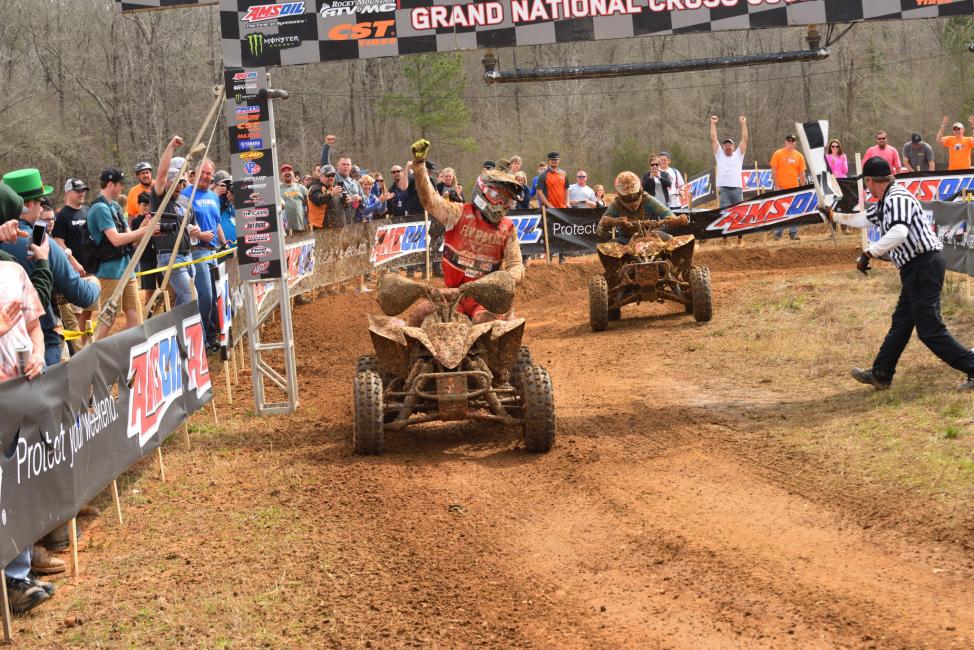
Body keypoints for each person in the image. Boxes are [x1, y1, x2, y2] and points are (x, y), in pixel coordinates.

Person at [822, 156, 974, 391]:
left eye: (867, 182)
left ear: (871, 180)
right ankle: (882, 373)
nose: (867, 187)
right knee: (902, 323)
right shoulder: (885, 202)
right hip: (916, 268)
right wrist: (834, 216)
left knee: (930, 331)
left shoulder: (897, 198)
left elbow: (900, 232)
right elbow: (864, 219)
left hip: (924, 266)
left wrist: (868, 252)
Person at [406, 139, 524, 326]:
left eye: (507, 201)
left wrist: (509, 277)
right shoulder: (458, 212)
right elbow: (430, 200)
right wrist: (419, 166)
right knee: (418, 316)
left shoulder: (507, 228)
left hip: (487, 297)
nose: (501, 204)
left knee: (486, 325)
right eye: (496, 196)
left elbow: (517, 264)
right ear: (482, 191)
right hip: (454, 294)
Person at [88, 167, 153, 330]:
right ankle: (95, 352)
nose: (122, 188)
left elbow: (130, 239)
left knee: (133, 313)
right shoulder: (99, 208)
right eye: (119, 184)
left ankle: (131, 350)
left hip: (127, 268)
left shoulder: (115, 206)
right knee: (108, 317)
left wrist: (146, 228)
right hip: (109, 271)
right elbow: (116, 240)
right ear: (111, 184)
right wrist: (143, 231)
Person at [181, 159, 225, 352]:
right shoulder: (185, 195)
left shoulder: (214, 197)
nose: (206, 176)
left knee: (216, 296)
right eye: (203, 172)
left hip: (213, 251)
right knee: (205, 296)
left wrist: (224, 243)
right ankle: (201, 339)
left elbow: (216, 223)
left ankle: (211, 337)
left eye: (209, 174)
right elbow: (182, 224)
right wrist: (199, 235)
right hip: (196, 251)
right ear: (196, 172)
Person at [152, 136, 200, 308]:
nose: (179, 186)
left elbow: (194, 225)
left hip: (188, 255)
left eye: (181, 183)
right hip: (170, 257)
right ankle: (196, 335)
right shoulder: (161, 199)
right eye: (175, 183)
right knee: (191, 299)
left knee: (182, 303)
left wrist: (196, 231)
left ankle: (177, 334)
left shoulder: (185, 201)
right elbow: (161, 174)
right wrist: (171, 147)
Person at [52, 178, 97, 347]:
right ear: (67, 193)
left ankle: (85, 347)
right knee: (75, 315)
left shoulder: (87, 211)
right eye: (78, 190)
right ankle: (78, 352)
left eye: (83, 190)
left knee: (88, 312)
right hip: (73, 272)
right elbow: (58, 242)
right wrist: (73, 263)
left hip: (90, 269)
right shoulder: (61, 215)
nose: (82, 193)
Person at [596, 171, 685, 242]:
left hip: (649, 235)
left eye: (634, 195)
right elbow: (600, 231)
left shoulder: (648, 199)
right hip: (626, 239)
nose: (631, 198)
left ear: (640, 190)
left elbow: (667, 213)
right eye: (627, 197)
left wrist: (673, 220)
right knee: (608, 250)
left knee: (671, 241)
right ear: (619, 195)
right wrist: (610, 223)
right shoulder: (616, 204)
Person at [770, 134, 807, 241]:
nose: (790, 142)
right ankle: (778, 234)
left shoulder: (799, 156)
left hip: (794, 188)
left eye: (792, 141)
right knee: (780, 212)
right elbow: (773, 170)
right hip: (780, 187)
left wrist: (803, 188)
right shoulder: (778, 153)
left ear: (795, 143)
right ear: (785, 142)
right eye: (788, 140)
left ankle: (793, 233)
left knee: (794, 212)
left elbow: (802, 173)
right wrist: (777, 185)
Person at [308, 165, 344, 229]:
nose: (330, 178)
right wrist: (331, 194)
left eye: (332, 175)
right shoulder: (315, 187)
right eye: (328, 175)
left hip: (336, 227)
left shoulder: (335, 188)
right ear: (321, 176)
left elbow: (343, 205)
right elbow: (318, 200)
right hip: (320, 228)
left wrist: (347, 201)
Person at [279, 163, 309, 232]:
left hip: (301, 227)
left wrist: (308, 223)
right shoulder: (277, 190)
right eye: (284, 171)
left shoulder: (302, 188)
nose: (287, 172)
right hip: (285, 229)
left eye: (289, 170)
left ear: (293, 174)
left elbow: (308, 207)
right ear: (281, 176)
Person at [213, 170, 236, 244]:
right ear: (215, 186)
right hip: (222, 249)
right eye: (223, 185)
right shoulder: (212, 199)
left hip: (235, 247)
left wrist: (234, 198)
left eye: (228, 184)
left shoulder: (230, 201)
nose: (225, 188)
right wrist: (215, 194)